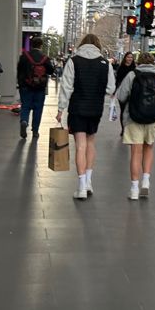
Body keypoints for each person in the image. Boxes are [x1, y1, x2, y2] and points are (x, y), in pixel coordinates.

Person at [57, 33, 115, 200]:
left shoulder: (73, 61)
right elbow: (111, 89)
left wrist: (61, 109)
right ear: (98, 45)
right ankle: (89, 181)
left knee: (80, 146)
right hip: (95, 108)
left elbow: (66, 87)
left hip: (77, 108)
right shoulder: (105, 64)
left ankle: (81, 186)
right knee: (91, 143)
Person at [116, 52, 155, 200]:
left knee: (135, 152)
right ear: (153, 63)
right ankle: (146, 181)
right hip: (152, 119)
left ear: (138, 62)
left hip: (134, 118)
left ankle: (134, 189)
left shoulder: (132, 75)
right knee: (149, 148)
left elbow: (121, 96)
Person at [17, 35, 55, 140]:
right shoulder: (45, 58)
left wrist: (20, 84)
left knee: (25, 106)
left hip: (26, 86)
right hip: (40, 88)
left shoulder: (24, 56)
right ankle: (35, 131)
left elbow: (19, 70)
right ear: (41, 46)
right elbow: (51, 71)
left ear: (32, 45)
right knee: (38, 109)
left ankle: (24, 121)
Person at [115, 51, 136, 137]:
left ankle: (130, 129)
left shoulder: (135, 68)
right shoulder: (121, 68)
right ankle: (123, 129)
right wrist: (115, 91)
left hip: (132, 92)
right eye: (128, 57)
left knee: (131, 111)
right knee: (123, 111)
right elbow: (117, 80)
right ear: (125, 58)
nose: (130, 59)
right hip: (123, 91)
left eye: (131, 57)